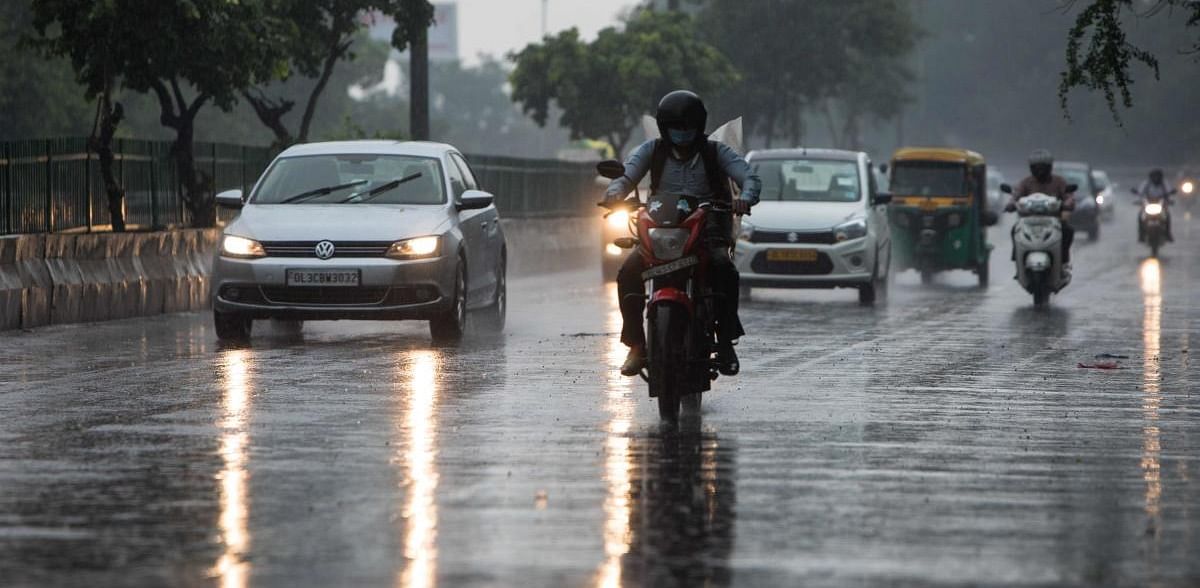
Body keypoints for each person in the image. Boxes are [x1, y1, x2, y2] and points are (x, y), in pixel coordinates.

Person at [604, 90, 761, 377]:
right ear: (665, 128)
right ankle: (636, 345)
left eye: (688, 127)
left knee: (723, 268)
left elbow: (747, 176)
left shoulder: (716, 152)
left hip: (708, 228)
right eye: (676, 128)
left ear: (699, 126)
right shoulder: (651, 151)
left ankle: (725, 343)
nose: (682, 133)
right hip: (662, 229)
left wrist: (746, 197)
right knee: (628, 272)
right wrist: (613, 194)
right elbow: (627, 176)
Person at [1007, 149, 1075, 265]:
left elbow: (1068, 196)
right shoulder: (1026, 183)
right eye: (1036, 168)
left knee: (1068, 230)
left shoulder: (1059, 182)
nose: (1040, 171)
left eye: (1043, 168)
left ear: (1050, 168)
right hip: (1028, 221)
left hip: (1054, 221)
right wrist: (1011, 204)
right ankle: (1017, 256)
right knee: (1015, 230)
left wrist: (1067, 204)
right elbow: (1016, 195)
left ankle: (1063, 257)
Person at [1136, 168, 1174, 242]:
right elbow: (1141, 193)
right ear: (1151, 177)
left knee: (1167, 216)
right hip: (1148, 204)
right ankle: (1141, 234)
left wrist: (1169, 200)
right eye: (1154, 176)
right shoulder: (1146, 183)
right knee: (1140, 216)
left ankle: (1168, 233)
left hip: (1161, 204)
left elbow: (1169, 192)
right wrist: (1139, 200)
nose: (1156, 178)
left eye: (1157, 176)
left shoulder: (1164, 184)